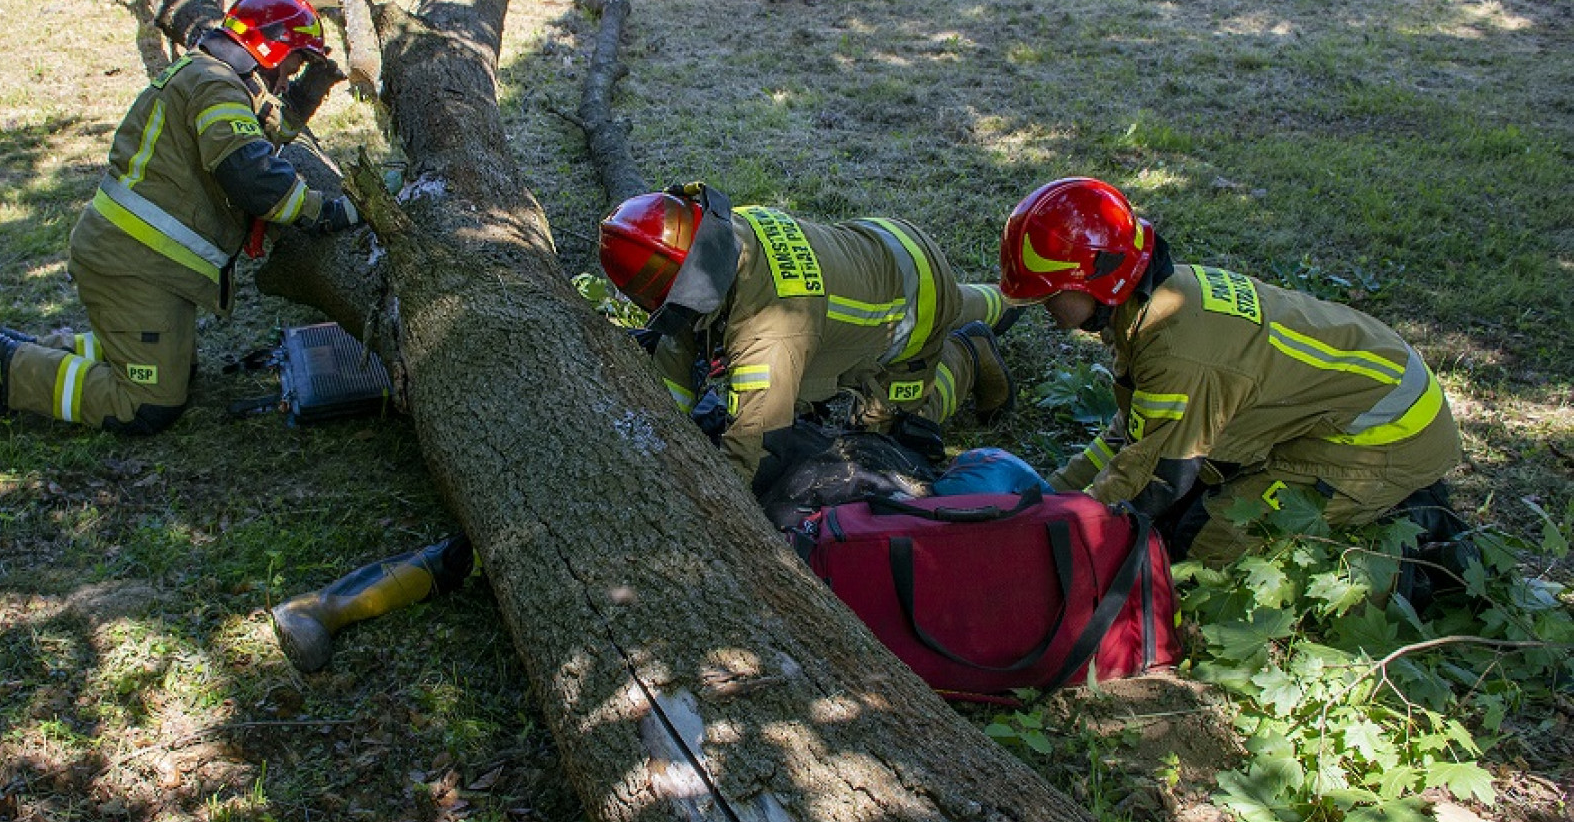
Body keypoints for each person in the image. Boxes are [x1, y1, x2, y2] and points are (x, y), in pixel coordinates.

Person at [997, 177, 1461, 565]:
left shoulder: (1175, 350)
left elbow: (1159, 477)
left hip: (1390, 435)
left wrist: (1060, 533)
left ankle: (1416, 556)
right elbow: (1133, 434)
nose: (1044, 307)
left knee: (1206, 545)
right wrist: (1051, 495)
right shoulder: (1153, 306)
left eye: (1050, 293)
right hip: (1352, 400)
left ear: (1098, 279)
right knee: (1183, 512)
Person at [0, 0, 363, 434]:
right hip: (132, 265)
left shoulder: (211, 76)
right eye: (294, 67)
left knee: (173, 368)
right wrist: (326, 212)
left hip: (140, 259)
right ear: (272, 48)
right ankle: (9, 370)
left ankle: (30, 349)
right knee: (148, 403)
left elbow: (258, 133)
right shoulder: (216, 87)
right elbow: (252, 175)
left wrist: (309, 93)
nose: (290, 79)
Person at [600, 184, 1017, 484]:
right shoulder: (729, 230)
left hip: (912, 308)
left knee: (886, 439)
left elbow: (751, 450)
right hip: (884, 248)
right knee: (957, 300)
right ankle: (1006, 301)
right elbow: (679, 345)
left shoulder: (770, 333)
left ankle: (969, 354)